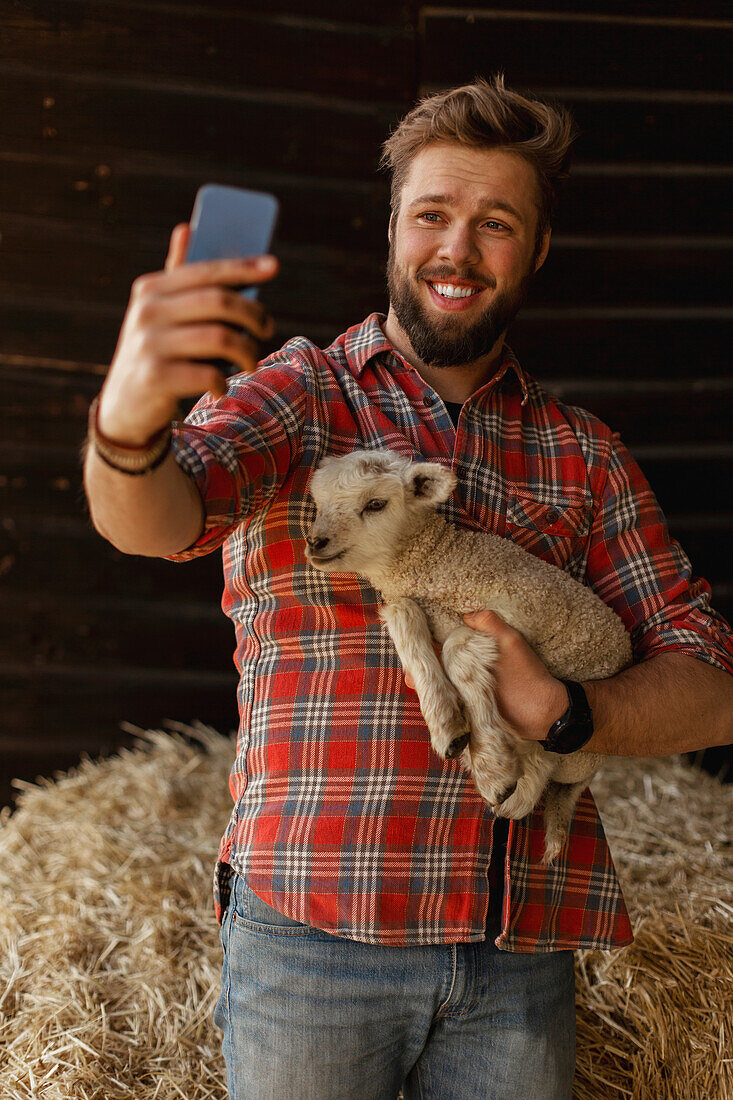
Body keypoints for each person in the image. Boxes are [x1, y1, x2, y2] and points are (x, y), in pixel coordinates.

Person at [83, 74, 733, 1100]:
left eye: (496, 223)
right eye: (431, 214)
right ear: (393, 227)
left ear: (537, 250)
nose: (456, 249)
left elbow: (711, 679)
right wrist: (125, 426)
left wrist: (570, 713)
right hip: (309, 941)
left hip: (515, 958)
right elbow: (158, 515)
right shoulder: (299, 394)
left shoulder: (586, 456)